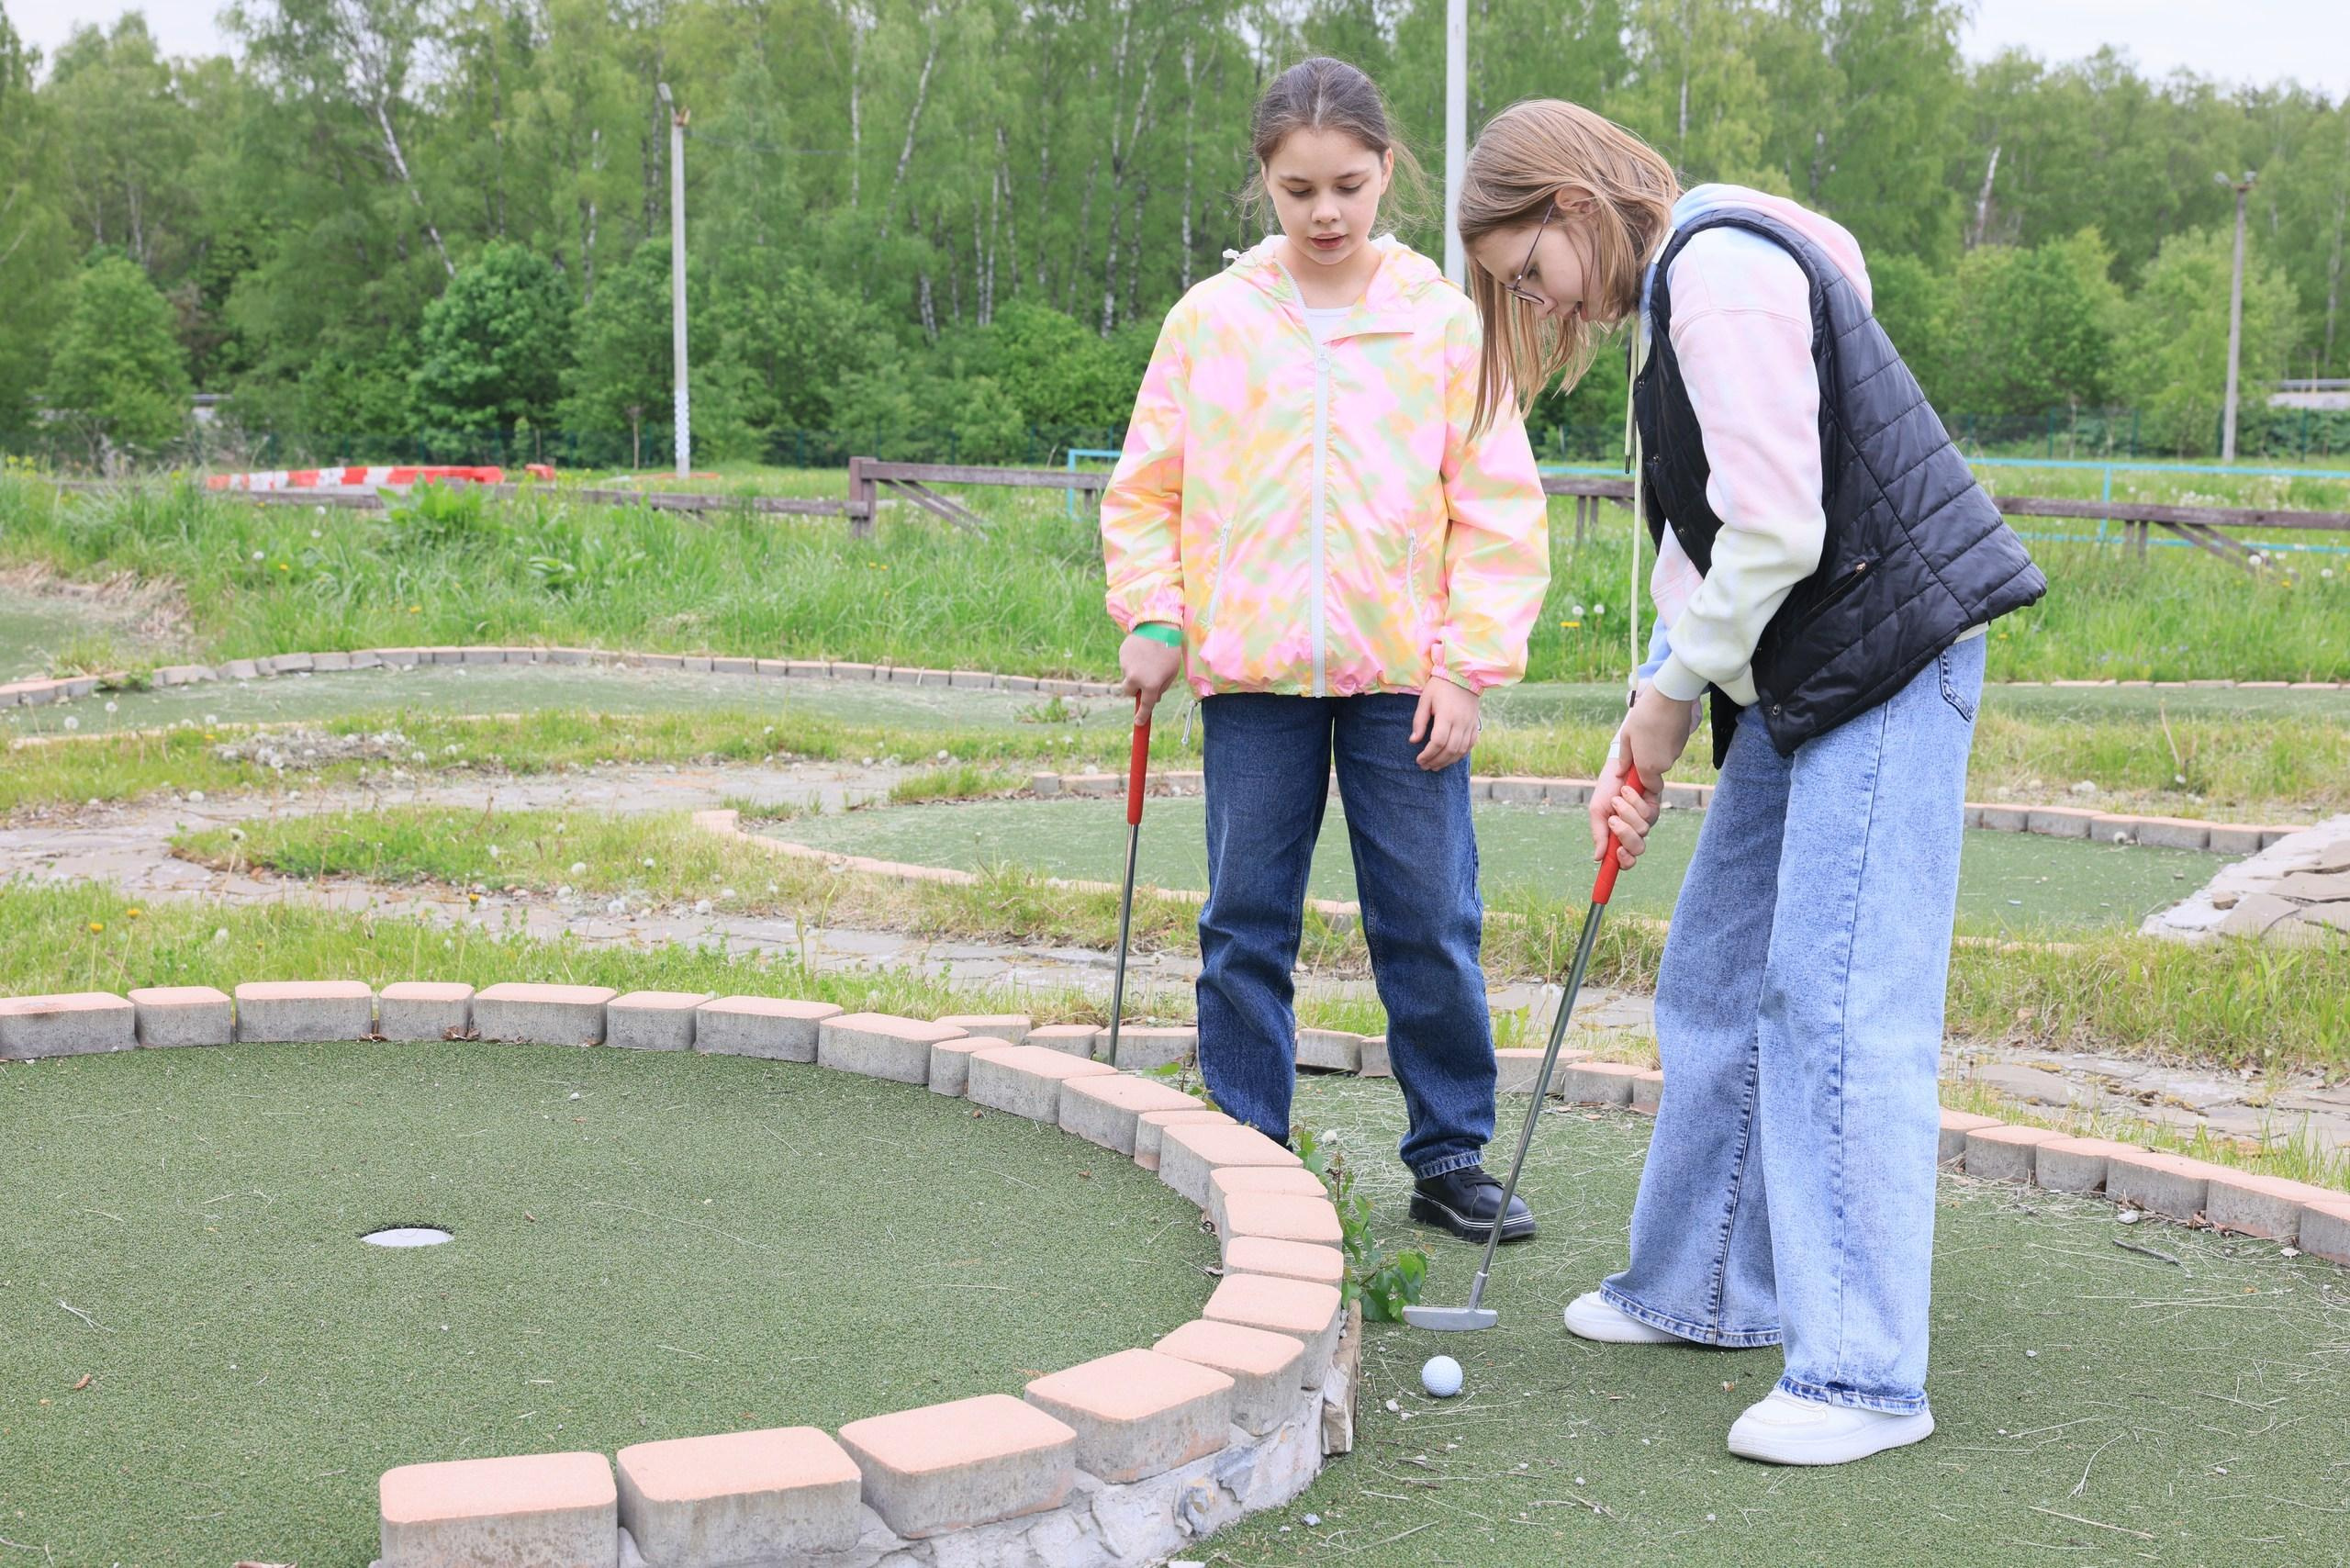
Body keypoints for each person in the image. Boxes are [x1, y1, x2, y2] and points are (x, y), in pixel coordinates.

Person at [1457, 99, 2045, 1464]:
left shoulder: (1718, 274)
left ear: (1575, 209)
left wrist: (1666, 709)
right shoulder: (1697, 285)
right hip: (1806, 671)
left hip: (1886, 662)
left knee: (1839, 1001)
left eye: (1526, 270)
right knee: (1719, 973)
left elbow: (1779, 522)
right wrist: (1643, 716)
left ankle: (1860, 1376)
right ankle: (1706, 1285)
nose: (1542, 305)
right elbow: (1716, 554)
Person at [1100, 56, 1551, 1243]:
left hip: (1406, 680)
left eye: (1348, 185)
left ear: (1388, 171)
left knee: (1430, 919)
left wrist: (1465, 667)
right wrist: (1155, 614)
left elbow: (1500, 511)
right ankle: (1250, 1154)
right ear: (1265, 183)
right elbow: (1143, 492)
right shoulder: (1210, 322)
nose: (1327, 213)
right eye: (1299, 190)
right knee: (1246, 917)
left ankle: (1450, 1151)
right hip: (1253, 680)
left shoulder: (1442, 324)